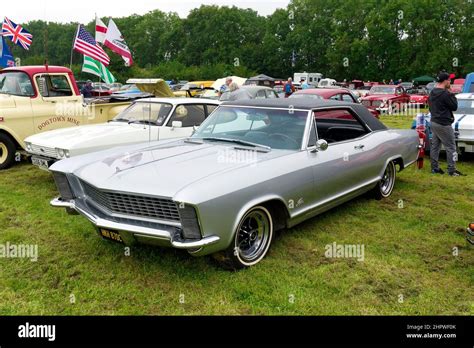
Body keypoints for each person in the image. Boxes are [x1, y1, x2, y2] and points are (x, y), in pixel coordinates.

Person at [428, 71, 464, 176]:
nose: (451, 81)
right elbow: (455, 107)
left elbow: (430, 107)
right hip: (444, 123)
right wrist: (451, 93)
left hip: (434, 121)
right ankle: (452, 170)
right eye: (449, 80)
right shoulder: (446, 94)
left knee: (435, 146)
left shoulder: (432, 92)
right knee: (451, 147)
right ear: (445, 81)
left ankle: (434, 168)